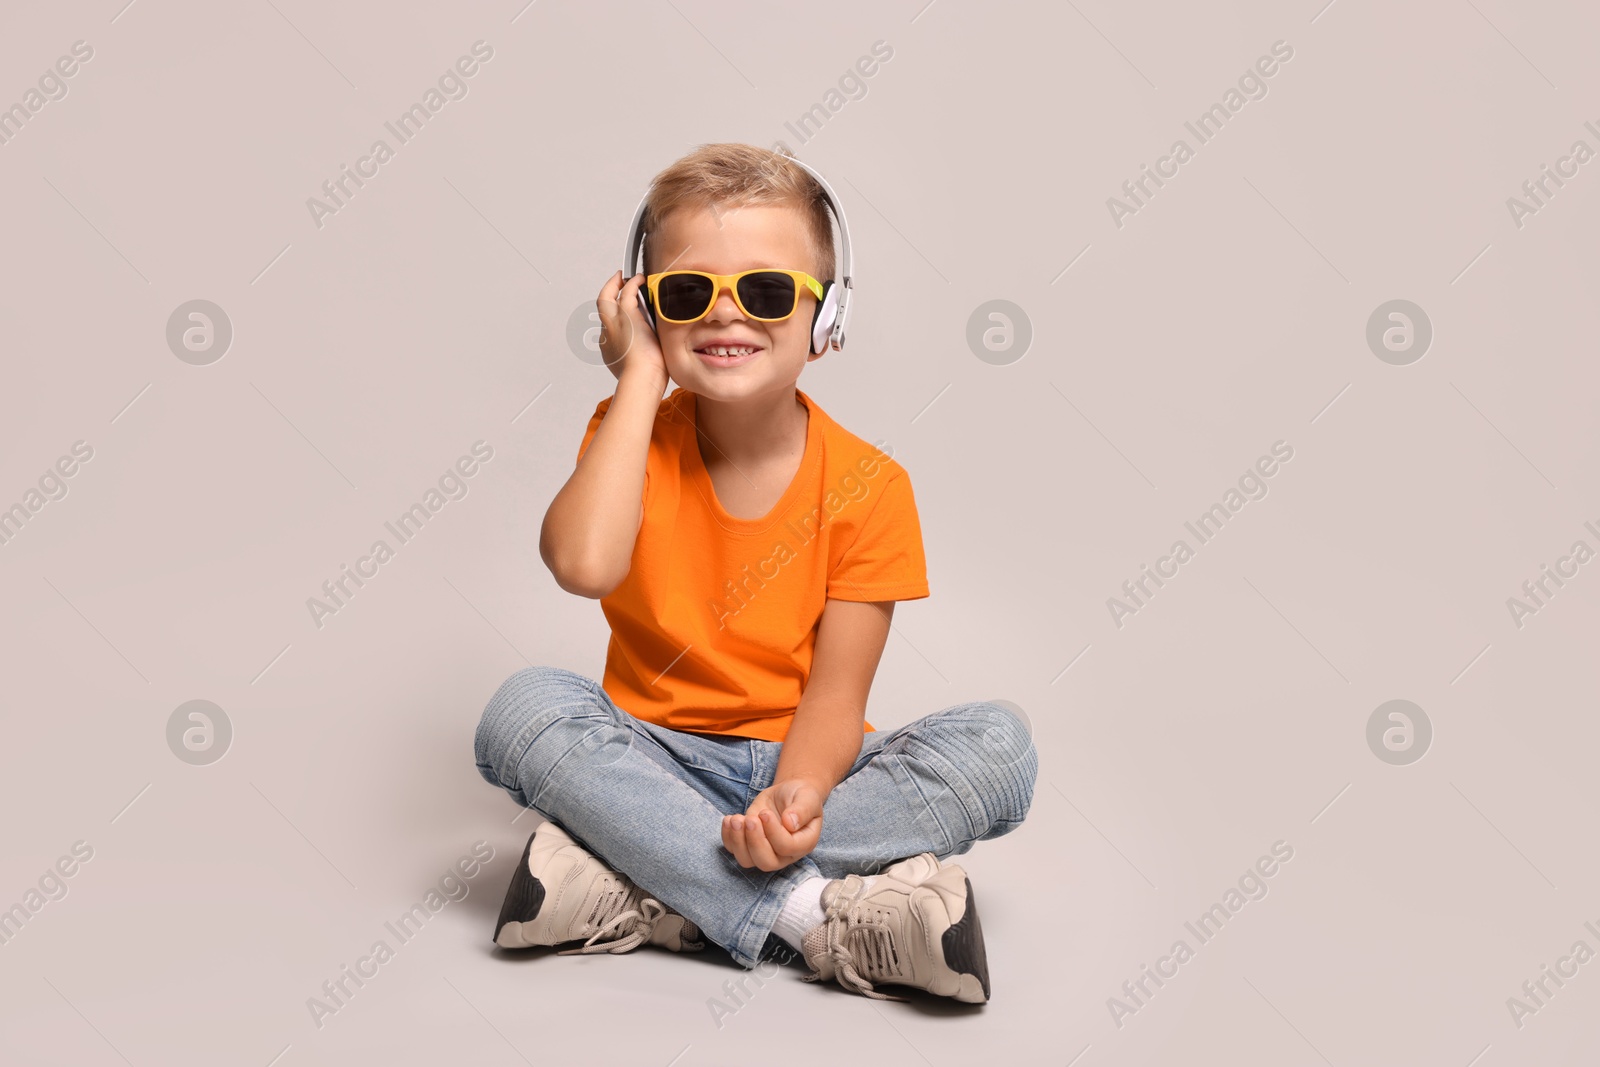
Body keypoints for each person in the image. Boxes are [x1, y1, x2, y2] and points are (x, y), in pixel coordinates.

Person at [474, 143, 1036, 1003]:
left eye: (768, 292)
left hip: (810, 771)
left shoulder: (872, 486)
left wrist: (799, 796)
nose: (725, 316)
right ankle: (820, 918)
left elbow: (837, 699)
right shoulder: (630, 436)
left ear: (827, 316)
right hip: (653, 757)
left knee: (1000, 746)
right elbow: (583, 563)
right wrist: (638, 378)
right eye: (687, 293)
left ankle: (648, 883)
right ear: (647, 308)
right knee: (523, 710)